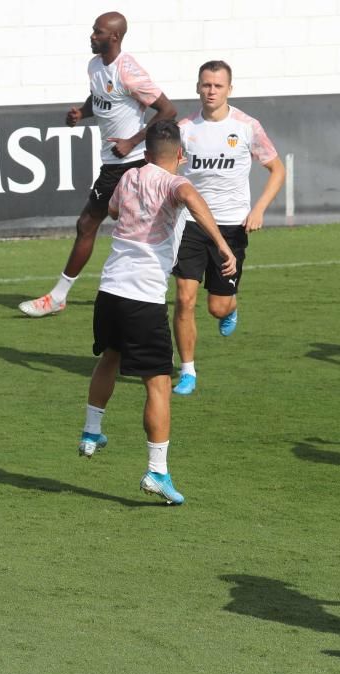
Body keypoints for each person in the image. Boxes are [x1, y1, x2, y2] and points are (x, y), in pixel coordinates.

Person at [78, 120, 236, 505]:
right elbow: (190, 197)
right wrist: (221, 246)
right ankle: (157, 471)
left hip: (109, 289)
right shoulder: (172, 183)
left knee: (110, 357)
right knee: (159, 382)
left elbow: (113, 211)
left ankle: (90, 431)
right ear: (179, 156)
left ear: (146, 153)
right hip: (142, 297)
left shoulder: (129, 176)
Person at [19, 11, 176, 318]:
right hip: (113, 163)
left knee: (90, 225)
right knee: (136, 226)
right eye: (93, 31)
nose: (92, 36)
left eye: (98, 32)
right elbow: (101, 98)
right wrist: (81, 112)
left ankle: (58, 297)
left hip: (129, 164)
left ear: (114, 37)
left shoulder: (129, 72)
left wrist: (132, 140)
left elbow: (167, 109)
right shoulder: (95, 66)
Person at [171, 60, 285, 395]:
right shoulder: (184, 128)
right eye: (206, 84)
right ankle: (188, 371)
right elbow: (169, 169)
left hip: (232, 226)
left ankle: (230, 307)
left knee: (217, 306)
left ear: (229, 90)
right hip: (191, 224)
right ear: (197, 87)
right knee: (184, 298)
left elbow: (277, 170)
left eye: (218, 86)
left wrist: (259, 209)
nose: (211, 91)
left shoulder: (247, 127)